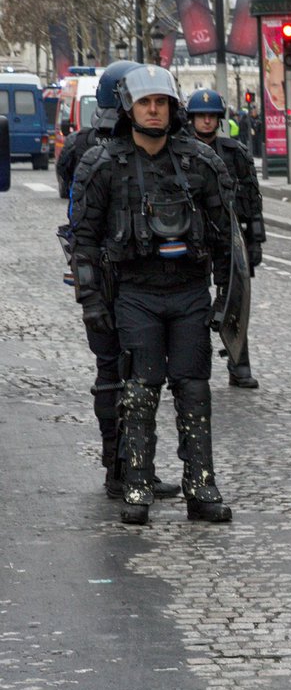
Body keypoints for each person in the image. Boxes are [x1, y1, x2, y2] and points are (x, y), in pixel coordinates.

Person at [69, 65, 235, 525]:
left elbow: (227, 240)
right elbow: (83, 241)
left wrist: (225, 300)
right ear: (129, 108)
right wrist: (91, 301)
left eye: (161, 102)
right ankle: (137, 485)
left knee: (194, 388)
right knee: (140, 391)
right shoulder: (102, 165)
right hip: (135, 293)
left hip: (189, 293)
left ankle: (201, 487)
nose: (154, 110)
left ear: (173, 107)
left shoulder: (201, 163)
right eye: (145, 103)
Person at [57, 61, 184, 503]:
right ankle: (125, 468)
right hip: (116, 276)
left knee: (119, 373)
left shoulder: (83, 144)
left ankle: (126, 467)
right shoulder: (103, 152)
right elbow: (83, 226)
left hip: (113, 276)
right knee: (123, 375)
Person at [186, 88, 266, 388]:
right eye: (201, 116)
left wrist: (255, 242)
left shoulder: (236, 153)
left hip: (228, 239)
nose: (206, 121)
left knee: (235, 303)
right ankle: (191, 368)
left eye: (211, 116)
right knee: (191, 306)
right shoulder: (178, 152)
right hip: (192, 239)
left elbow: (252, 201)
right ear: (192, 119)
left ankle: (239, 364)